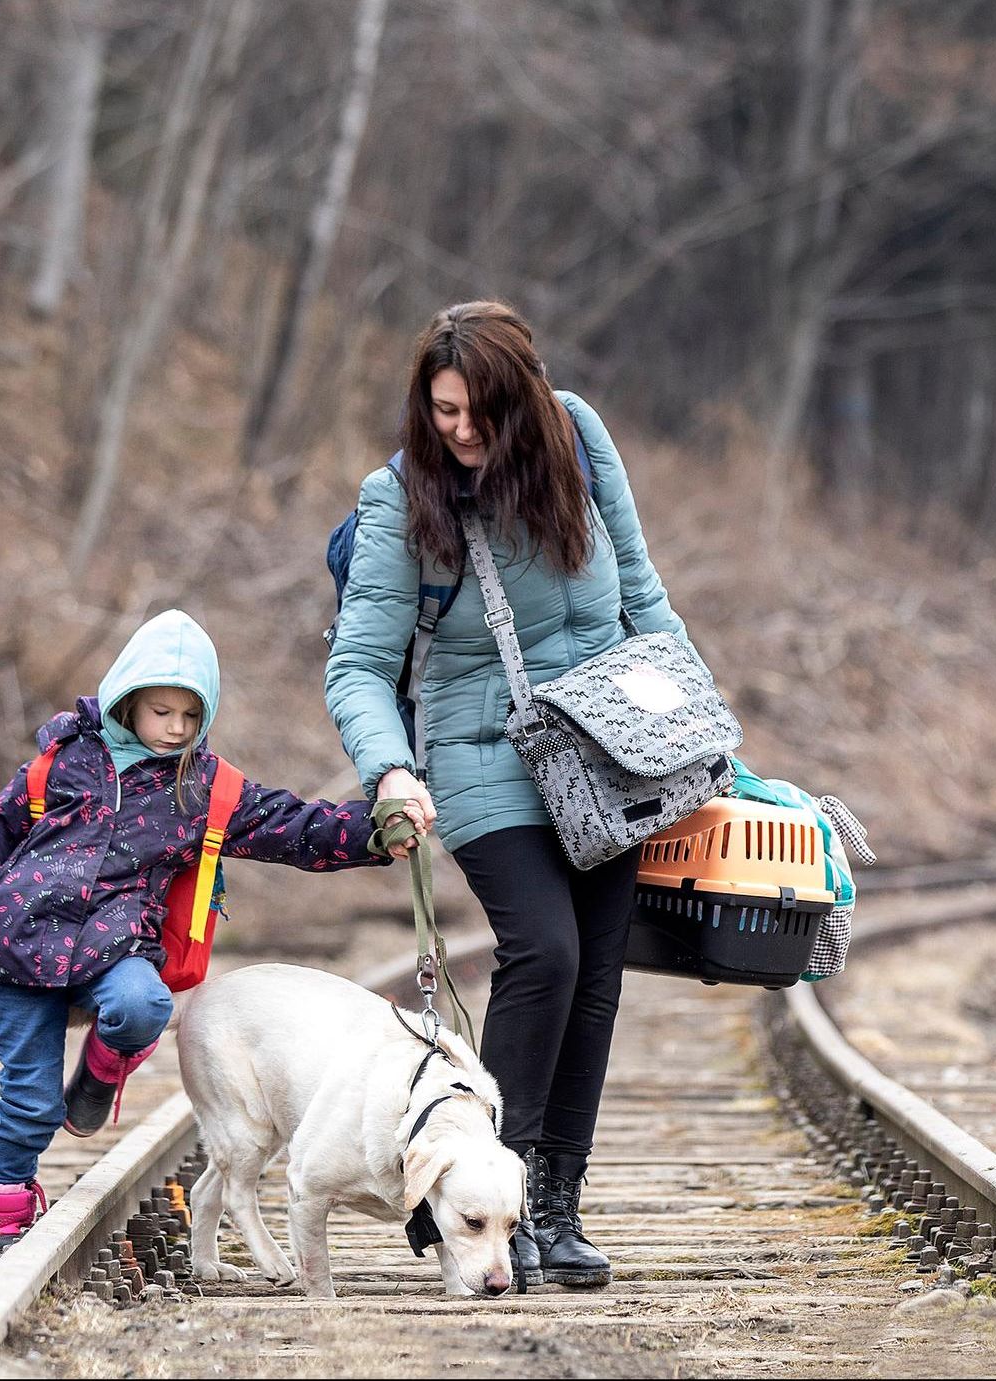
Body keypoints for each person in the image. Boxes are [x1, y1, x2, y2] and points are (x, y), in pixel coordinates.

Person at [325, 300, 703, 1289]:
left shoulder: (577, 437)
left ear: (527, 401)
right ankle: (501, 1195)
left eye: (479, 413)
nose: (458, 430)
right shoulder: (400, 496)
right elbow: (359, 663)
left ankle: (558, 1210)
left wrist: (704, 736)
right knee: (546, 949)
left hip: (611, 745)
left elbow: (642, 594)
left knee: (598, 970)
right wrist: (390, 768)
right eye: (442, 409)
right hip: (482, 749)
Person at [0, 609, 387, 1273]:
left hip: (113, 948)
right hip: (19, 947)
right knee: (27, 1103)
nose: (174, 727)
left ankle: (98, 1079)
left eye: (190, 716)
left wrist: (375, 831)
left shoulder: (204, 788)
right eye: (161, 710)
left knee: (144, 1006)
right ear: (127, 701)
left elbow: (294, 825)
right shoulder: (63, 762)